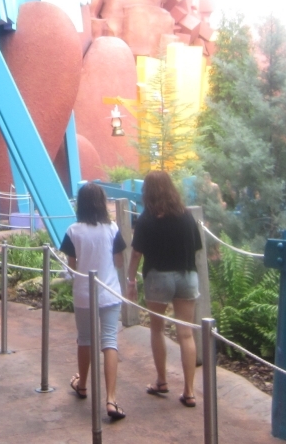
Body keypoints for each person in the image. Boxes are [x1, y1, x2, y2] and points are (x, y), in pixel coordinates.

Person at [126, 170, 202, 407]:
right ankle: (189, 391)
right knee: (186, 334)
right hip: (186, 276)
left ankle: (162, 381)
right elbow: (197, 249)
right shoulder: (186, 216)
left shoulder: (147, 218)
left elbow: (137, 252)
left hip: (158, 277)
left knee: (157, 329)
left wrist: (130, 280)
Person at [60, 183, 128, 421]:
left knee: (85, 339)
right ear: (101, 203)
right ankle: (111, 399)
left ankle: (83, 385)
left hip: (84, 294)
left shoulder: (73, 231)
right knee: (109, 341)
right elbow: (119, 261)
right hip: (109, 292)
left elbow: (71, 264)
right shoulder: (112, 229)